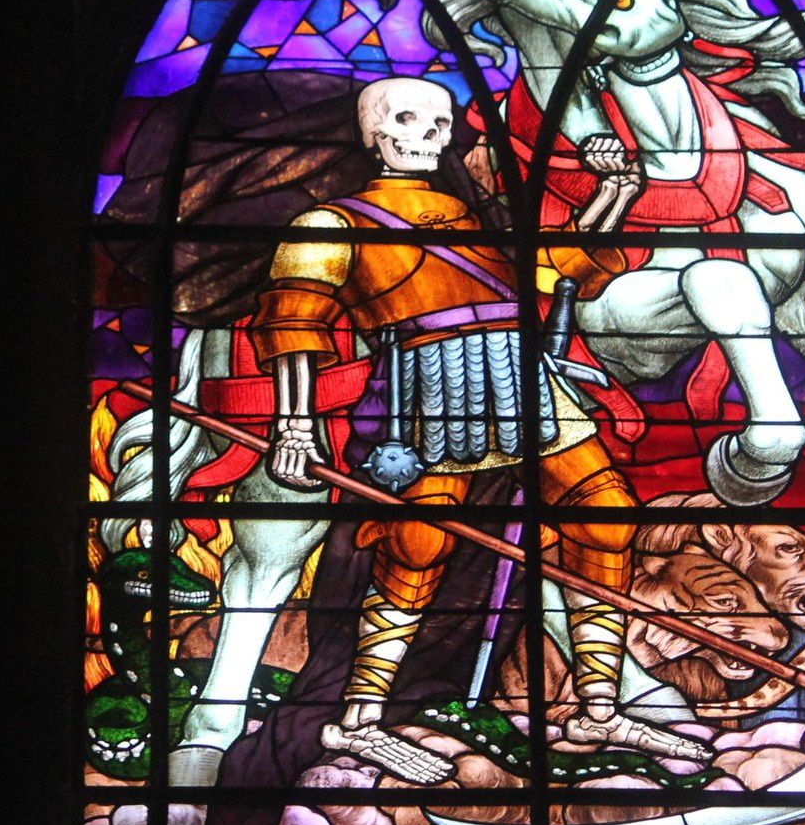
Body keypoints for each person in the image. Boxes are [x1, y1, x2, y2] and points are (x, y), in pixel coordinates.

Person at [244, 76, 709, 785]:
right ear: (371, 134)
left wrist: (613, 194)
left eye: (439, 125)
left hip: (523, 380)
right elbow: (293, 321)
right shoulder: (329, 224)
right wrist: (294, 425)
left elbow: (550, 274)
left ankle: (598, 708)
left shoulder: (467, 218)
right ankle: (361, 719)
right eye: (406, 120)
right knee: (418, 544)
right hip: (428, 385)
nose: (427, 138)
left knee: (607, 518)